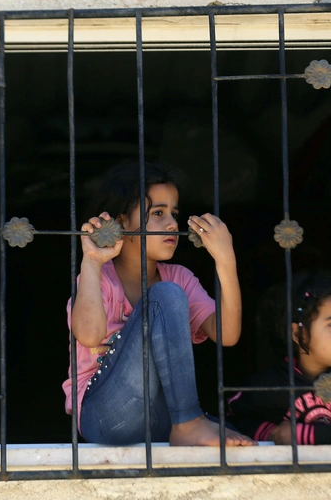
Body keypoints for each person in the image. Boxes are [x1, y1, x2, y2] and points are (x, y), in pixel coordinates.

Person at [62, 161, 254, 446]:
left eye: (174, 214)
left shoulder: (179, 277)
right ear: (122, 223)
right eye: (158, 213)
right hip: (106, 415)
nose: (173, 224)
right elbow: (89, 335)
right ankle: (190, 424)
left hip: (162, 417)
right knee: (165, 295)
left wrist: (226, 259)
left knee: (237, 438)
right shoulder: (100, 279)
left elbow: (227, 334)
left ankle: (189, 423)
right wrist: (91, 260)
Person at [227, 272, 331, 445]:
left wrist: (300, 434)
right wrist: (272, 433)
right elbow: (233, 420)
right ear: (298, 333)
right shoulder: (270, 383)